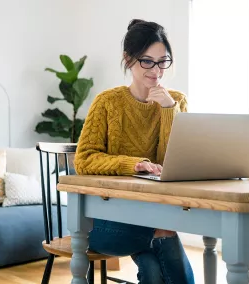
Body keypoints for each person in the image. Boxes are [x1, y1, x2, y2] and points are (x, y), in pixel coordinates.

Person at [74, 19, 194, 284]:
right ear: (128, 59)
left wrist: (168, 111)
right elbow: (83, 160)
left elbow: (174, 163)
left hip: (154, 211)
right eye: (147, 61)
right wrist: (133, 164)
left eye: (163, 61)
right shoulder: (107, 102)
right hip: (105, 220)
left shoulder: (176, 101)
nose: (157, 70)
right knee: (164, 231)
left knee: (152, 270)